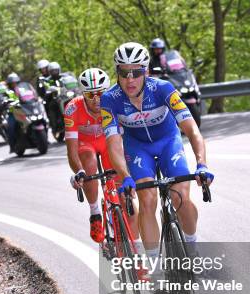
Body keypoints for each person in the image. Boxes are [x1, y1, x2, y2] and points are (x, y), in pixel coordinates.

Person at [101, 42, 214, 266]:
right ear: (117, 73)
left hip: (168, 142)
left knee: (179, 196)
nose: (130, 79)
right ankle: (155, 266)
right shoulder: (109, 99)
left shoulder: (162, 88)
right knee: (147, 199)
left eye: (136, 72)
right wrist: (125, 176)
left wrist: (202, 164)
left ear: (147, 72)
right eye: (124, 73)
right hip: (137, 147)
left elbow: (192, 130)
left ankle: (192, 249)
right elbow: (113, 143)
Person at [65, 68, 138, 244]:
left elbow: (125, 138)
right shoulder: (72, 109)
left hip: (108, 144)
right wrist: (79, 171)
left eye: (100, 93)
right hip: (85, 144)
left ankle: (134, 245)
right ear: (83, 95)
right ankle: (95, 212)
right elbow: (71, 149)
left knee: (123, 191)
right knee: (88, 164)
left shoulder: (115, 102)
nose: (96, 99)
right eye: (90, 95)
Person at [5, 73, 21, 153]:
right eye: (12, 83)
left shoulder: (22, 89)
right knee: (10, 127)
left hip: (25, 110)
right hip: (13, 113)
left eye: (15, 82)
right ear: (9, 84)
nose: (14, 84)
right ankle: (12, 146)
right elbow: (4, 99)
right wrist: (6, 102)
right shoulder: (7, 92)